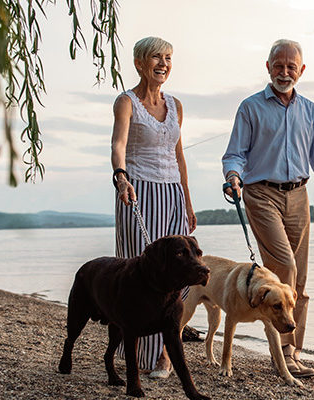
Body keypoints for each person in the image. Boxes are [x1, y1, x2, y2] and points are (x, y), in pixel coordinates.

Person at [222, 39, 314, 378]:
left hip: (299, 196)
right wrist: (233, 176)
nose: (285, 71)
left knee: (299, 284)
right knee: (285, 267)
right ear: (268, 67)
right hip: (261, 194)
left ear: (301, 71)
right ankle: (285, 356)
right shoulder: (251, 107)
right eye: (279, 65)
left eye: (292, 66)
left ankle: (293, 350)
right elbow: (235, 153)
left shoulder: (309, 110)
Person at [110, 36, 196, 379]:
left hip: (173, 194)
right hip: (138, 191)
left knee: (182, 274)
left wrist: (188, 200)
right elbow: (118, 143)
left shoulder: (176, 105)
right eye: (157, 57)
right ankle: (145, 354)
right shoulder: (126, 102)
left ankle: (163, 349)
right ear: (140, 63)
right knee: (139, 275)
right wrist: (121, 177)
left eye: (169, 58)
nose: (164, 63)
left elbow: (178, 155)